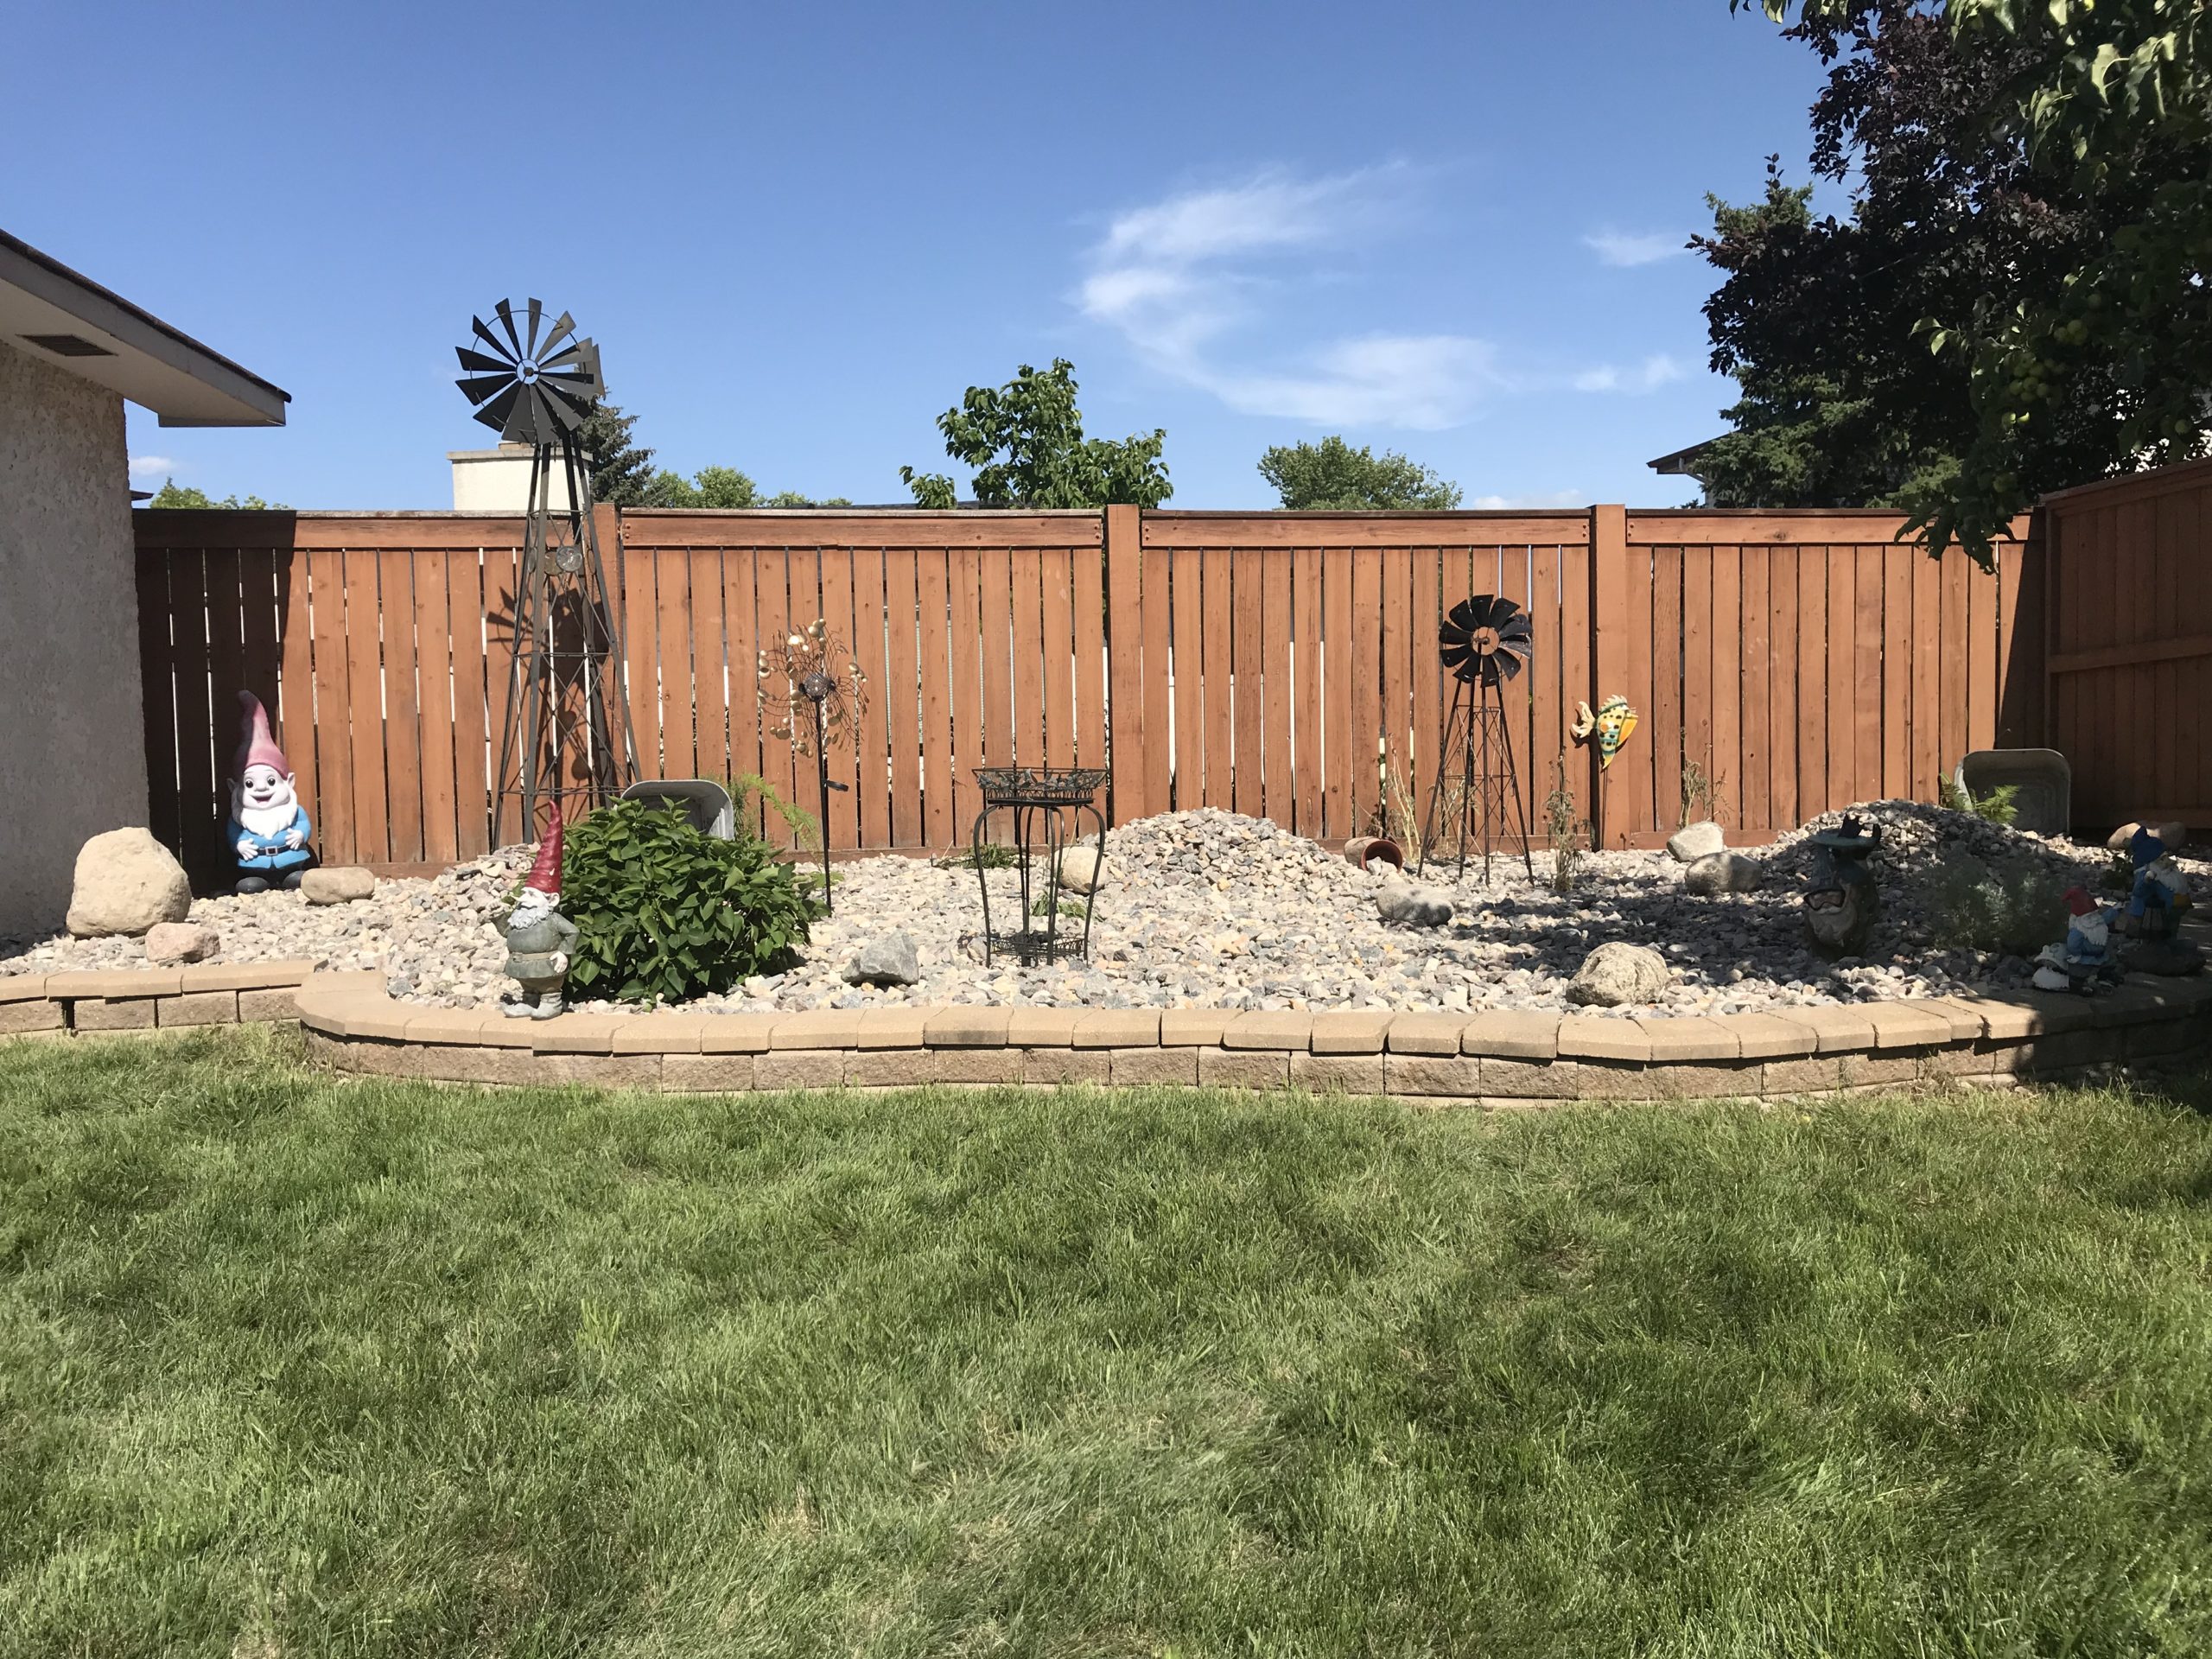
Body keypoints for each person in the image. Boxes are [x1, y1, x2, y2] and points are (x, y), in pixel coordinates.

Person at [228, 691, 313, 893]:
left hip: (290, 860)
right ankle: (260, 881)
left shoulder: (294, 811)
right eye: (249, 784)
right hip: (255, 865)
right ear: (234, 788)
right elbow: (233, 834)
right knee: (250, 885)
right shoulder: (241, 817)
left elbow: (304, 824)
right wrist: (239, 846)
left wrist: (301, 834)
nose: (261, 788)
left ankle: (289, 879)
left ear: (289, 782)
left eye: (271, 781)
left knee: (297, 880)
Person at [504, 808, 578, 1019]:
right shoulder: (520, 916)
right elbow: (507, 932)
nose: (524, 898)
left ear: (551, 900)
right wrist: (496, 919)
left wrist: (564, 952)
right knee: (528, 984)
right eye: (525, 892)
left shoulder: (552, 918)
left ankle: (551, 1003)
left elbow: (572, 932)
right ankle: (529, 1001)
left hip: (547, 965)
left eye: (532, 894)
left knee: (548, 985)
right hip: (521, 965)